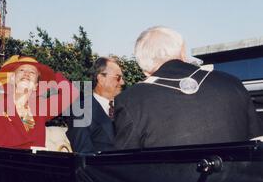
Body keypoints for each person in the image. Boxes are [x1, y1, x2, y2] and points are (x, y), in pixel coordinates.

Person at [113, 26, 263, 150]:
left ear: (144, 68)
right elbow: (257, 142)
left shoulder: (130, 101)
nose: (121, 82)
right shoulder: (232, 83)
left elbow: (125, 169)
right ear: (183, 53)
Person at [0, 55, 78, 149]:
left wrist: (53, 75)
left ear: (36, 85)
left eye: (32, 72)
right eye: (22, 70)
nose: (26, 74)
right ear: (12, 79)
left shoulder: (40, 107)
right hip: (8, 162)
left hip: (37, 162)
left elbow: (71, 93)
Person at [66, 57, 125, 153]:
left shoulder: (125, 108)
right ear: (101, 78)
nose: (122, 82)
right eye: (118, 77)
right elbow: (84, 155)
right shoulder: (81, 111)